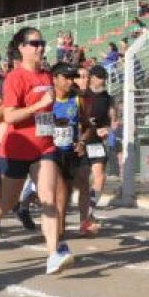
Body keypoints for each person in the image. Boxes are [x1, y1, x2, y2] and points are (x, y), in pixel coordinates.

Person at [0, 26, 74, 275]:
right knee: (7, 202)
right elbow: (9, 115)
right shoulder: (15, 78)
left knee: (48, 198)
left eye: (42, 43)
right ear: (21, 48)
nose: (40, 47)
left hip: (44, 146)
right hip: (17, 147)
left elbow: (46, 111)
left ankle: (53, 254)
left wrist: (53, 118)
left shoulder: (47, 76)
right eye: (35, 43)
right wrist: (39, 105)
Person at [50, 63, 98, 238]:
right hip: (52, 152)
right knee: (61, 191)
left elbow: (88, 125)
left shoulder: (77, 98)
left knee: (83, 181)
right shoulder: (47, 99)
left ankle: (83, 221)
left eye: (72, 77)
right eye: (66, 78)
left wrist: (83, 141)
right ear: (55, 79)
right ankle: (59, 226)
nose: (70, 81)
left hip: (73, 151)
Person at [81, 65, 116, 215]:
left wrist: (108, 129)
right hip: (79, 141)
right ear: (92, 77)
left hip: (95, 142)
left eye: (103, 78)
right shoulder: (81, 95)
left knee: (100, 175)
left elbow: (113, 121)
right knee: (78, 178)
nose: (101, 81)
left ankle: (90, 210)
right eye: (99, 77)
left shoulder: (107, 98)